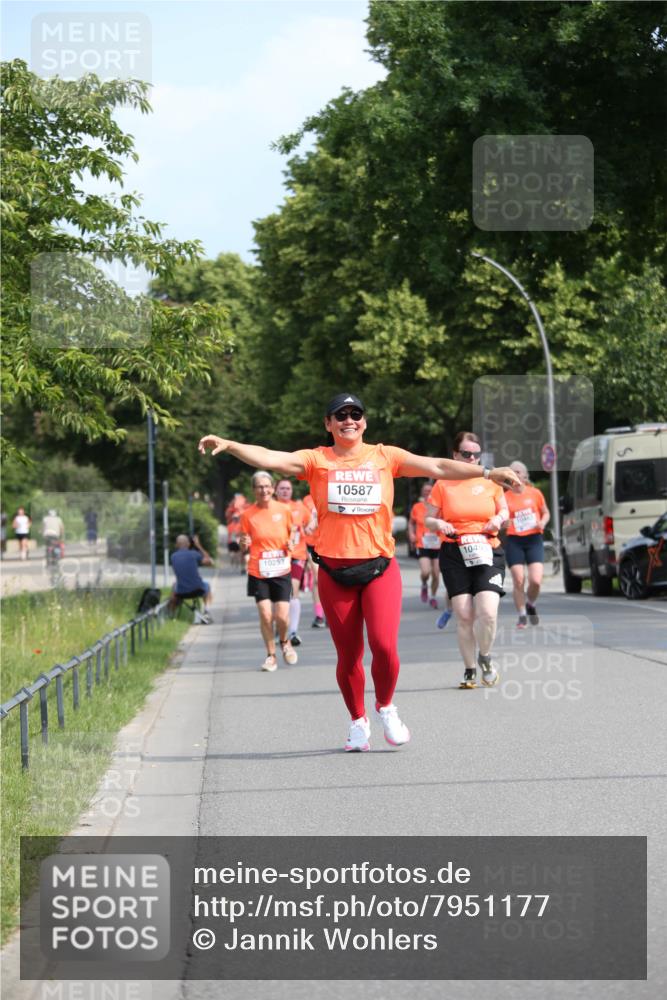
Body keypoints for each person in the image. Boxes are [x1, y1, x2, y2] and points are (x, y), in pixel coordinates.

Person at [199, 394, 519, 750]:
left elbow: (440, 467)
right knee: (348, 656)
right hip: (335, 573)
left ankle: (385, 707)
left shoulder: (386, 456)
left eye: (355, 414)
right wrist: (230, 446)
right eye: (340, 415)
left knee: (383, 646)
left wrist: (489, 472)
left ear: (364, 422)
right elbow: (273, 458)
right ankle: (357, 721)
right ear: (328, 424)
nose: (348, 420)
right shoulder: (316, 460)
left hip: (380, 568)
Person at [425, 431, 509, 690]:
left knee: (488, 613)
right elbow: (428, 520)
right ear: (455, 455)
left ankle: (485, 656)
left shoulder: (491, 481)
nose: (472, 458)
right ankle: (470, 668)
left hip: (487, 550)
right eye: (466, 454)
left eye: (476, 454)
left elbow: (504, 509)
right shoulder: (443, 484)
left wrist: (498, 519)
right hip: (455, 551)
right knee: (463, 614)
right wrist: (439, 522)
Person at [239, 471, 299, 671]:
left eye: (267, 486)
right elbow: (243, 543)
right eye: (259, 487)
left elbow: (294, 534)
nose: (264, 490)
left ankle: (284, 642)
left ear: (273, 489)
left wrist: (292, 542)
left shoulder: (284, 510)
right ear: (253, 490)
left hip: (281, 569)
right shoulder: (247, 515)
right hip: (259, 571)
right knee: (266, 615)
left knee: (282, 616)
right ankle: (271, 656)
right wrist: (243, 543)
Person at [504, 460, 550, 628]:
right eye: (512, 472)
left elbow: (545, 512)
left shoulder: (535, 493)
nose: (515, 474)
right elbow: (500, 519)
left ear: (524, 475)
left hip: (533, 539)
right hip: (515, 540)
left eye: (518, 471)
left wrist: (543, 522)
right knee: (518, 579)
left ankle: (531, 603)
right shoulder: (504, 497)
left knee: (536, 580)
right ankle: (522, 614)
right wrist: (504, 523)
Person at [275, 478, 311, 646]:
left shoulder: (299, 508)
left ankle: (294, 631)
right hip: (277, 556)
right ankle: (280, 627)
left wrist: (310, 526)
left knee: (293, 590)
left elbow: (311, 523)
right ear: (276, 491)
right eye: (281, 488)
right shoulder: (270, 508)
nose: (285, 491)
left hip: (297, 555)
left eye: (287, 488)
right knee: (279, 594)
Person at [409, 482, 443, 609]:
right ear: (422, 492)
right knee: (425, 572)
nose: (427, 493)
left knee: (436, 573)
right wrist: (411, 534)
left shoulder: (439, 507)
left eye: (430, 491)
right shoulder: (417, 507)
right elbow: (411, 523)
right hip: (422, 543)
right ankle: (424, 584)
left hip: (438, 544)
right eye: (425, 491)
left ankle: (433, 597)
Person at [169, 533, 213, 622]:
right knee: (207, 586)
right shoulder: (194, 554)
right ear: (188, 544)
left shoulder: (173, 556)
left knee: (174, 586)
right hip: (198, 589)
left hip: (181, 592)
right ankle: (206, 611)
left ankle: (172, 614)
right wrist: (198, 545)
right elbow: (209, 561)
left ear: (177, 545)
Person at [302, 492, 326, 628]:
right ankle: (319, 615)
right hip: (312, 544)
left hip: (329, 543)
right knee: (317, 579)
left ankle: (331, 612)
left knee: (332, 580)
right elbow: (303, 520)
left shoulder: (330, 493)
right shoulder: (306, 500)